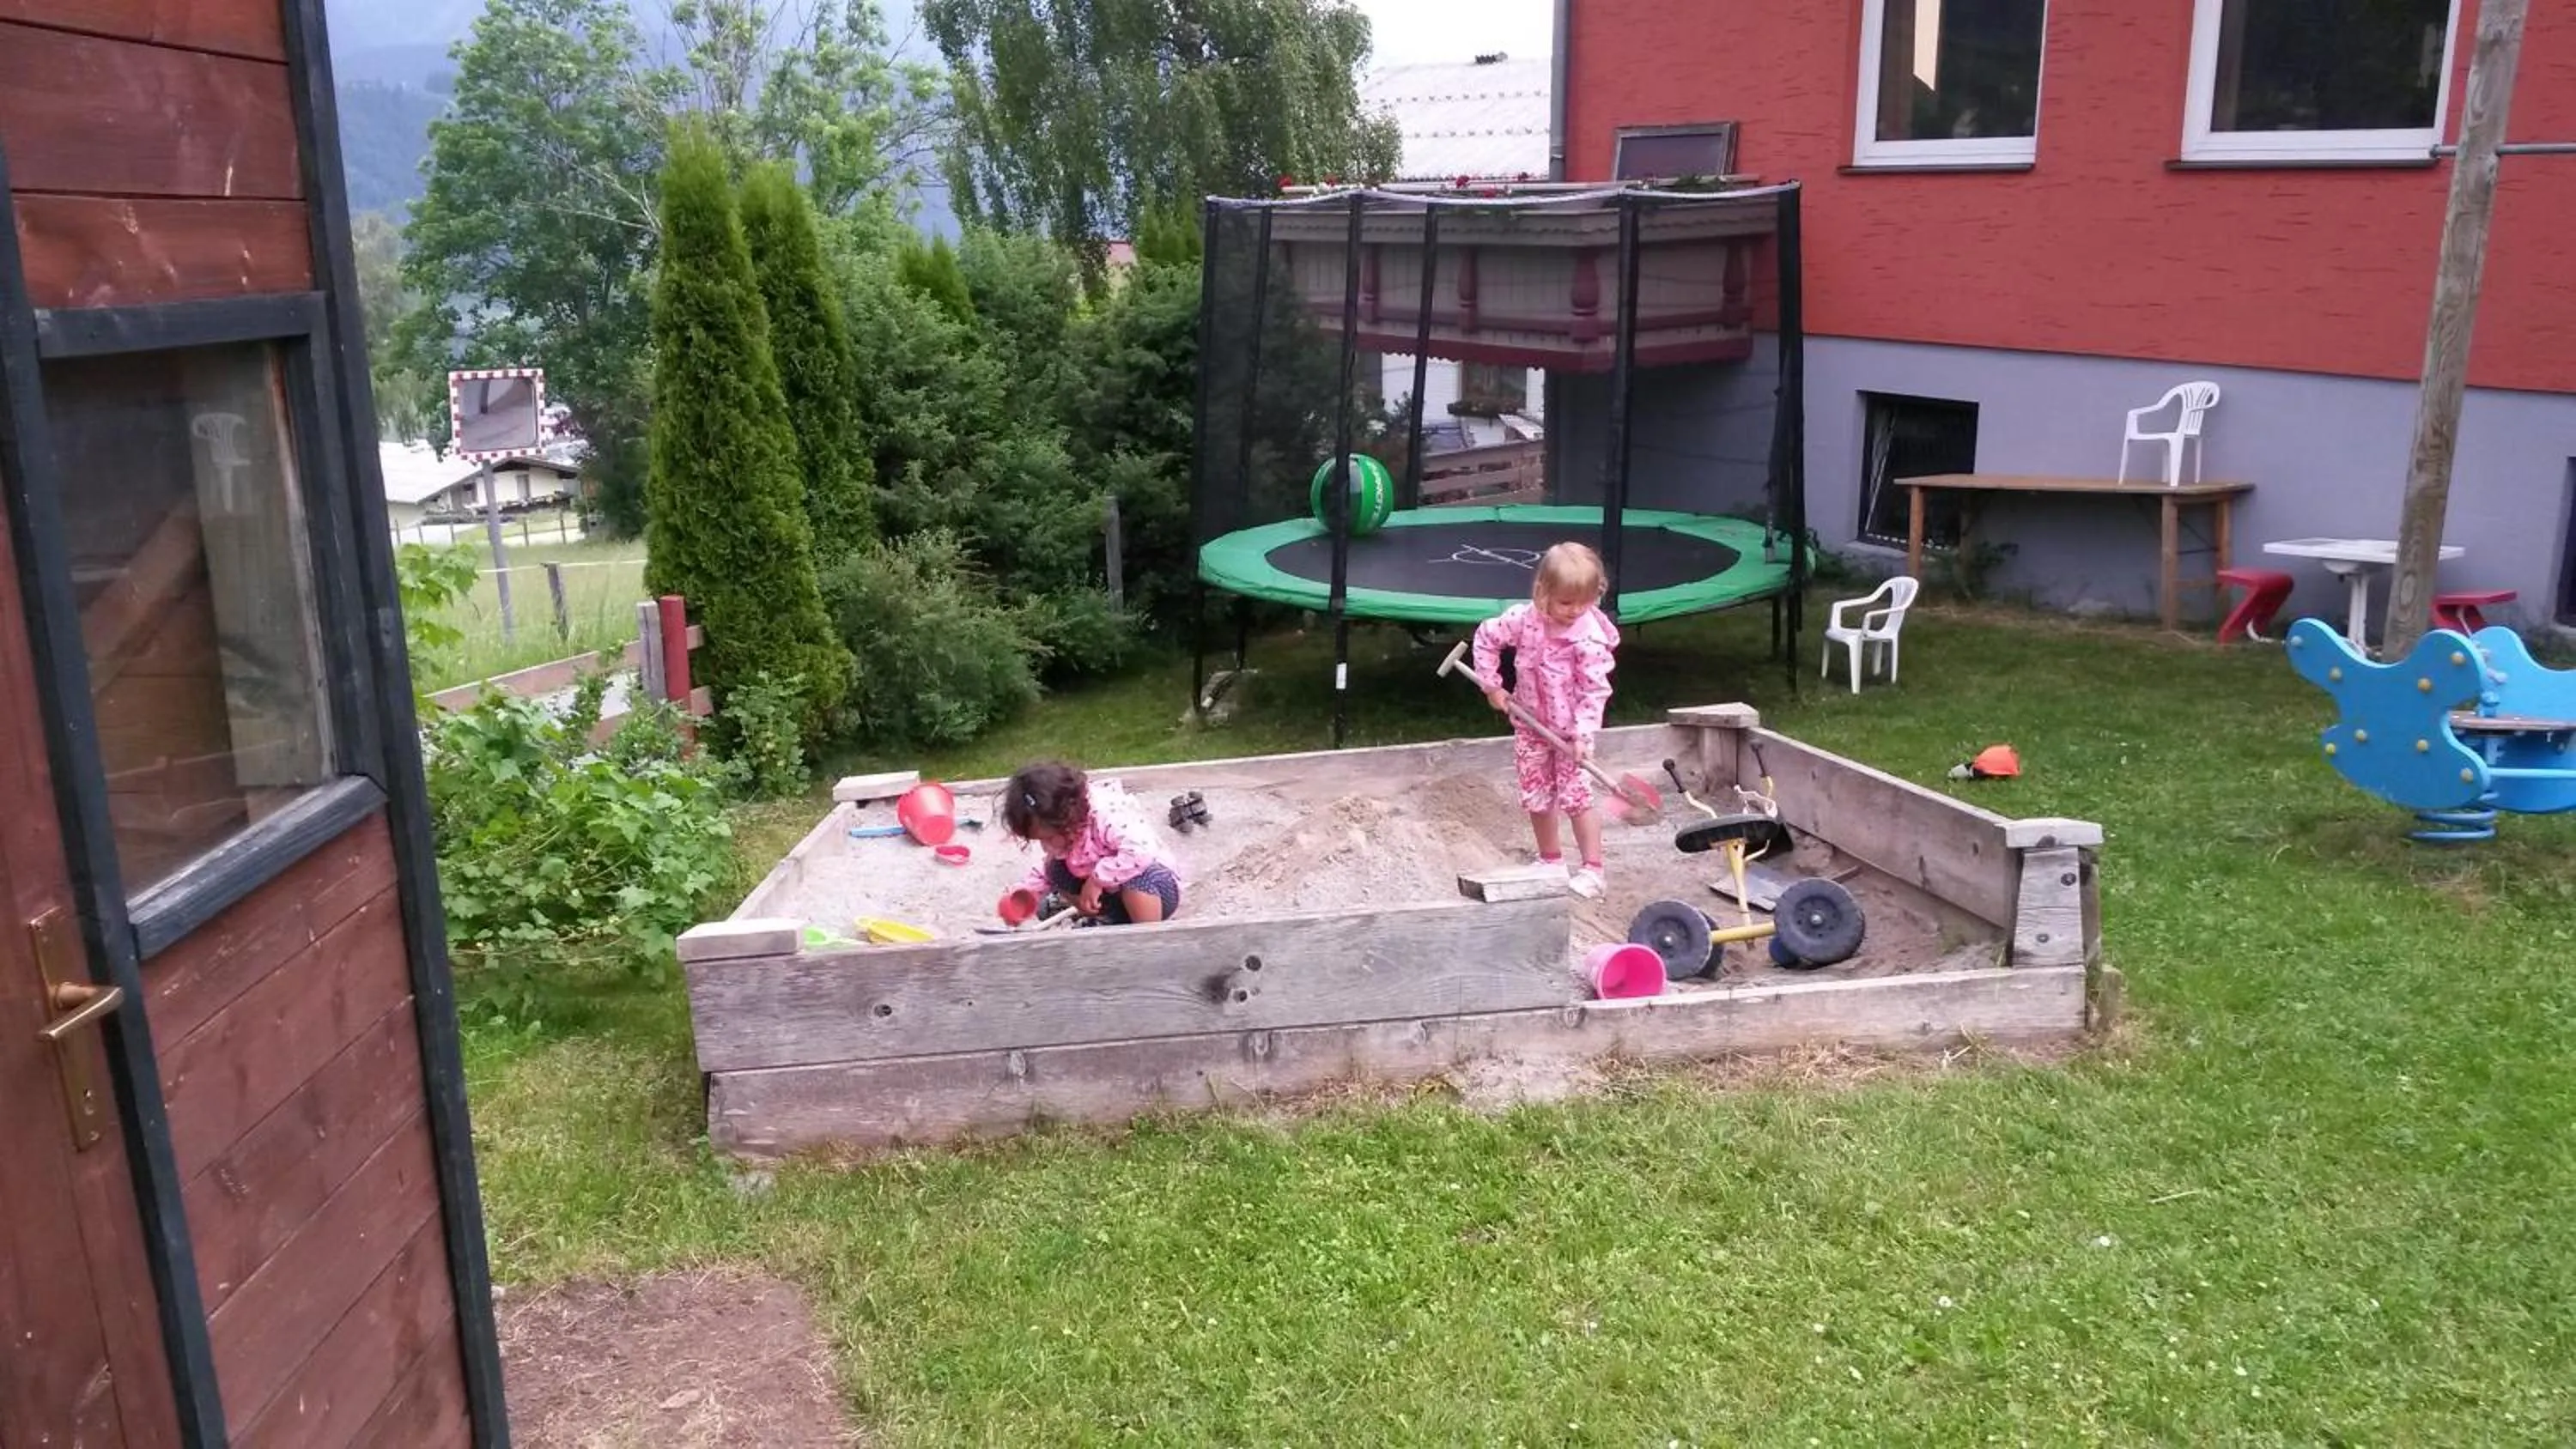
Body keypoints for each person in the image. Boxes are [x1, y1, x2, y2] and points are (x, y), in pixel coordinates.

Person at [1471, 541, 1621, 898]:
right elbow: (1486, 638)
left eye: (1585, 602)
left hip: (1572, 736)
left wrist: (1583, 735)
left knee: (1577, 797)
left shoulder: (1588, 639)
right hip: (1530, 726)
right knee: (1536, 794)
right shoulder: (1524, 620)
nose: (1575, 611)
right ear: (1543, 592)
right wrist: (1492, 685)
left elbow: (1594, 691)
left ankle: (1593, 869)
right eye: (1566, 602)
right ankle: (1550, 860)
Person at [999, 761, 1183, 925]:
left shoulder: (1107, 814)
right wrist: (1025, 892)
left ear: (1067, 819)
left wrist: (1097, 879)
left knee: (1138, 879)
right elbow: (1045, 871)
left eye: (1048, 838)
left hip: (1157, 892)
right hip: (1112, 895)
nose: (1045, 846)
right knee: (1055, 869)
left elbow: (1141, 852)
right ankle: (1104, 918)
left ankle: (1146, 936)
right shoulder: (1067, 828)